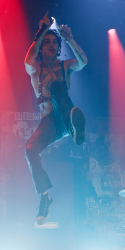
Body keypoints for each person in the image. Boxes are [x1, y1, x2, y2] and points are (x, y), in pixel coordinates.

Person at [23, 13, 89, 224]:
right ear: (42, 46)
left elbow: (84, 62)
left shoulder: (65, 66)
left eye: (55, 42)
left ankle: (74, 129)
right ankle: (45, 197)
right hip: (50, 123)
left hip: (65, 116)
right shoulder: (36, 70)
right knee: (29, 150)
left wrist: (69, 38)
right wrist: (41, 33)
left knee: (58, 86)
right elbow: (27, 60)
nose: (51, 46)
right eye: (47, 43)